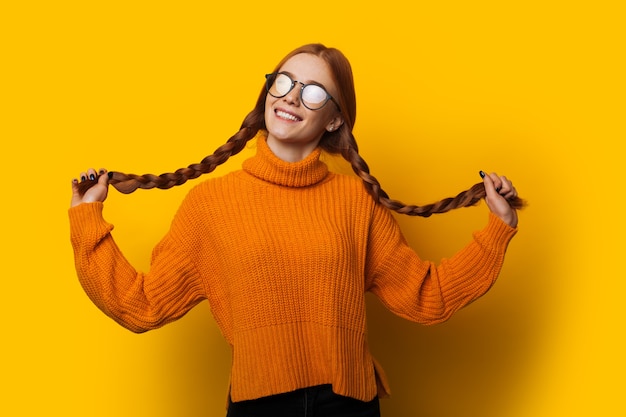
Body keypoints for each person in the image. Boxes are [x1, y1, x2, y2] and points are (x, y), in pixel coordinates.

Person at [69, 43, 523, 417]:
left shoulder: (354, 204)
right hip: (258, 407)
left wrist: (498, 228)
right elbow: (141, 305)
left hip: (348, 405)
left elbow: (427, 297)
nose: (289, 97)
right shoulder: (211, 205)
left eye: (312, 92)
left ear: (335, 119)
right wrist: (88, 221)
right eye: (283, 82)